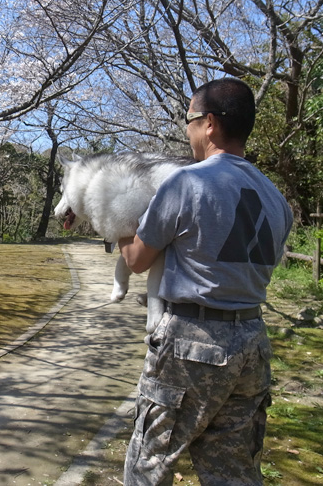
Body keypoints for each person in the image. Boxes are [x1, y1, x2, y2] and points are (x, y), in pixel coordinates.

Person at [118, 78, 293, 485]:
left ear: (210, 123)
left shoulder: (186, 183)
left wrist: (115, 224)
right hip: (252, 342)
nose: (188, 130)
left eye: (190, 120)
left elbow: (137, 260)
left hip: (192, 343)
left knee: (150, 462)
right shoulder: (276, 199)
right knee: (232, 469)